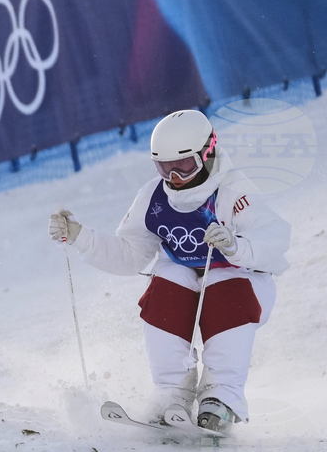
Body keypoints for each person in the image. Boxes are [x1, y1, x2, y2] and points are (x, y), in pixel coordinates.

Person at [48, 109, 291, 430]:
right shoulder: (153, 197)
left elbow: (276, 241)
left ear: (207, 153)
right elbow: (130, 255)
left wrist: (236, 246)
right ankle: (172, 392)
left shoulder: (233, 191)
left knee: (222, 281)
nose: (174, 177)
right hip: (186, 277)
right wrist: (81, 236)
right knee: (165, 283)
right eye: (165, 167)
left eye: (184, 166)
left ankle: (221, 395)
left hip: (244, 284)